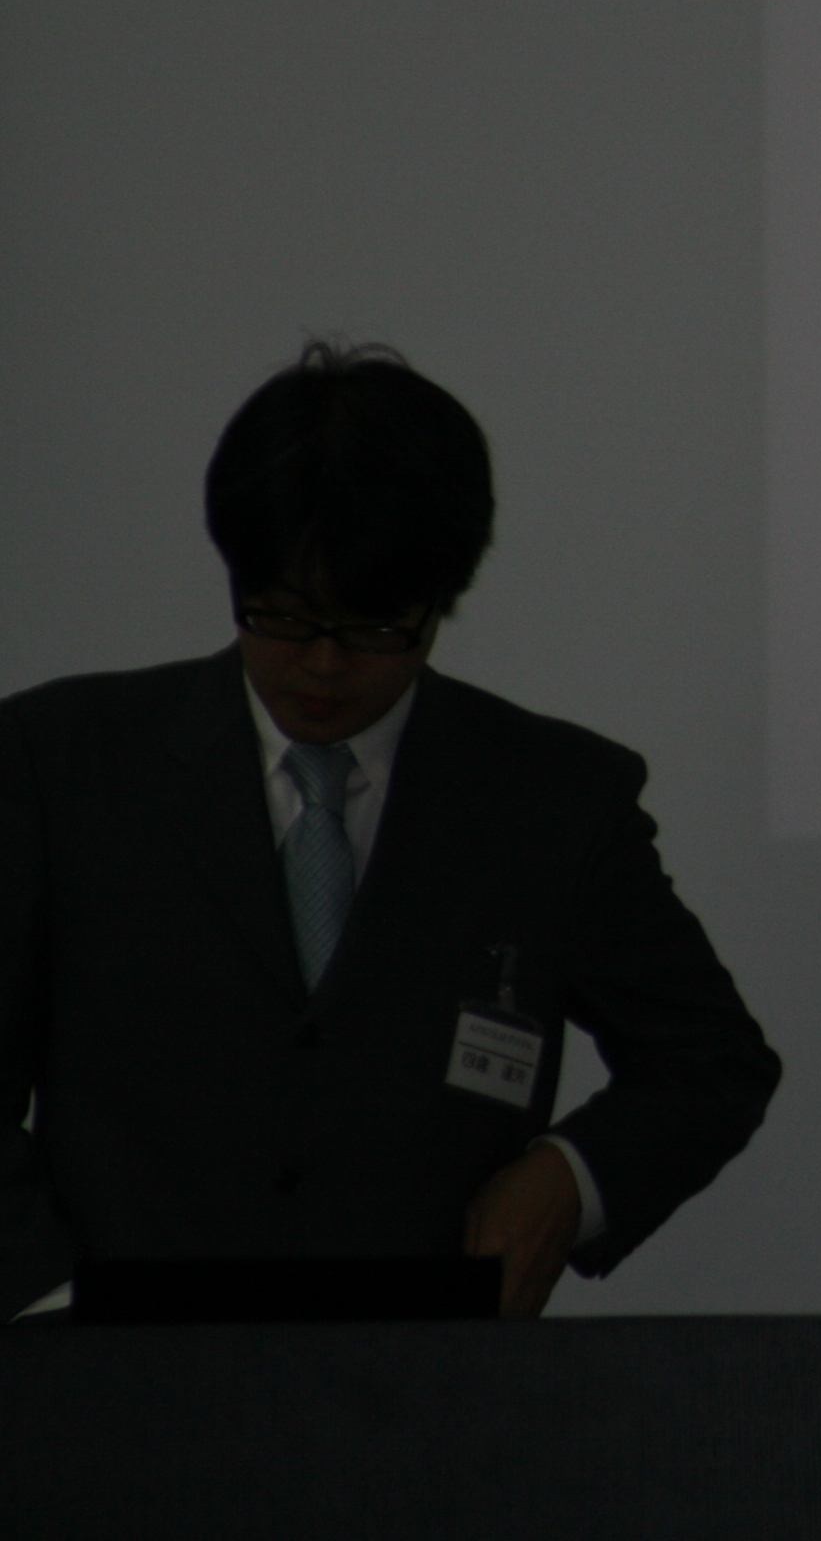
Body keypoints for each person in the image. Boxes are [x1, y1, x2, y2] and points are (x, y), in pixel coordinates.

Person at [0, 342, 780, 1321]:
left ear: (440, 602)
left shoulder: (553, 801)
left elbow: (709, 1061)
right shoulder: (62, 765)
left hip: (428, 1386)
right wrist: (51, 1308)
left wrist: (568, 1177)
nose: (324, 665)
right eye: (285, 618)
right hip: (109, 1372)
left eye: (374, 629)